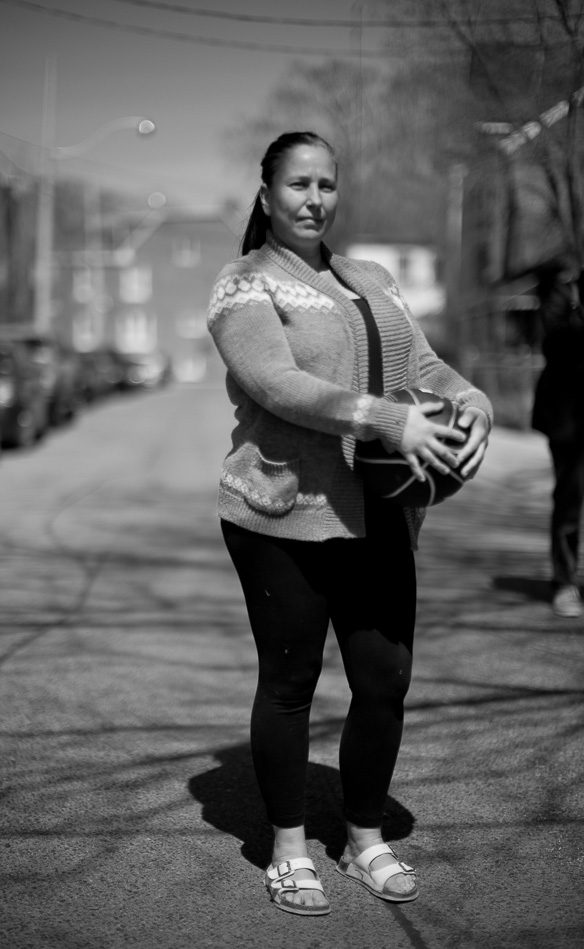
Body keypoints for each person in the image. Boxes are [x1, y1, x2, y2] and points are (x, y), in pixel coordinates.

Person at [207, 131, 492, 916]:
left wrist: (471, 398)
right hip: (280, 513)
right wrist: (379, 419)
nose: (314, 199)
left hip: (379, 512)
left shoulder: (371, 277)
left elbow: (423, 366)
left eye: (327, 185)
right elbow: (278, 383)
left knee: (384, 680)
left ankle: (366, 837)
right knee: (292, 681)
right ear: (266, 194)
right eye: (298, 184)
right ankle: (289, 846)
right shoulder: (243, 284)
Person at [531, 268, 584, 618]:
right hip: (571, 417)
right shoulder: (564, 292)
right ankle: (565, 581)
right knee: (569, 498)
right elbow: (554, 342)